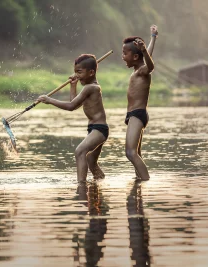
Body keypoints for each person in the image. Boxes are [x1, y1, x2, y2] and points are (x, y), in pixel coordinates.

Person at [37, 54, 108, 182]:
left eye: (79, 72)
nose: (76, 75)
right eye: (75, 72)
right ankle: (100, 184)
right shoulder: (89, 88)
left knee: (80, 151)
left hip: (99, 129)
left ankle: (81, 185)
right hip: (94, 128)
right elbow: (74, 104)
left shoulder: (90, 88)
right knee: (91, 161)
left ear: (91, 72)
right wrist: (73, 86)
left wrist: (49, 100)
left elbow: (70, 106)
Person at [122, 25, 158, 181]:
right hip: (133, 115)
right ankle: (139, 186)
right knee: (137, 153)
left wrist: (143, 50)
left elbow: (150, 65)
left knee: (130, 152)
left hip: (138, 114)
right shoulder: (137, 69)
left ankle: (145, 182)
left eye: (125, 53)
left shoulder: (143, 70)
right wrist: (153, 37)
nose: (123, 56)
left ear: (135, 57)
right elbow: (147, 55)